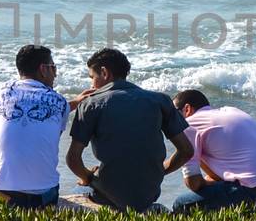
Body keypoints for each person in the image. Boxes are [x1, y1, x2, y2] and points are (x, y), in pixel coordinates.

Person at [66, 47, 193, 212]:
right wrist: (159, 172)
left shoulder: (91, 104)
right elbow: (186, 151)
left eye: (92, 78)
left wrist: (89, 178)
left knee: (78, 190)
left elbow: (73, 159)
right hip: (149, 193)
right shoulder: (160, 100)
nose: (92, 85)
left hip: (107, 194)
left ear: (104, 73)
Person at [171, 89, 256, 210]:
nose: (171, 122)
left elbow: (193, 184)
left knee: (181, 204)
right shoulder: (232, 111)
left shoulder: (188, 123)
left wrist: (205, 183)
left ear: (187, 109)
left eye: (173, 114)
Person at [0, 44, 69, 208]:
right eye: (53, 68)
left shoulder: (2, 93)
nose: (55, 74)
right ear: (43, 69)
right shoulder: (61, 102)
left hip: (4, 197)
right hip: (44, 197)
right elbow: (48, 136)